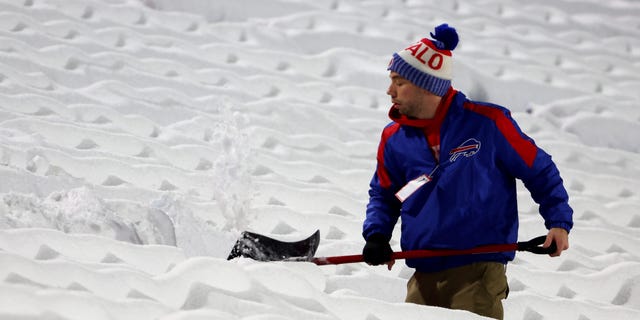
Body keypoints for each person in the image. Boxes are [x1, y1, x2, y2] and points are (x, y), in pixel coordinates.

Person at [361, 23, 573, 319]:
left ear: (426, 84)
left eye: (399, 81)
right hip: (423, 271)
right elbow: (386, 195)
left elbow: (539, 170)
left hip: (478, 271)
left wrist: (558, 221)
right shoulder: (394, 139)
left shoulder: (488, 124)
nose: (389, 90)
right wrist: (377, 236)